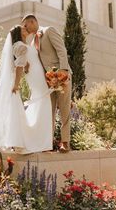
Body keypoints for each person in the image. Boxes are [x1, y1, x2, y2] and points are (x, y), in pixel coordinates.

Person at [0, 25, 53, 154]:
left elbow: (22, 62)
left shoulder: (20, 45)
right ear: (19, 33)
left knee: (17, 110)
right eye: (23, 29)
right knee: (16, 111)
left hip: (28, 79)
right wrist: (16, 84)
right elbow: (19, 66)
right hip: (15, 82)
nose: (26, 29)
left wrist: (26, 65)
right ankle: (19, 142)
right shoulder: (20, 45)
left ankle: (20, 141)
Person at [22, 14, 72, 153]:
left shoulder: (49, 31)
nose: (25, 28)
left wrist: (63, 71)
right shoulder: (32, 43)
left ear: (33, 22)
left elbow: (62, 50)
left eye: (26, 25)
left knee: (64, 109)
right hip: (47, 82)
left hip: (62, 76)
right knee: (48, 111)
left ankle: (65, 142)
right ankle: (48, 143)